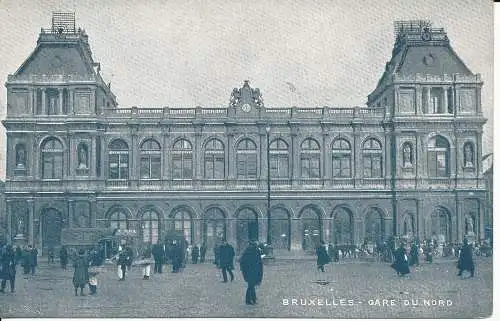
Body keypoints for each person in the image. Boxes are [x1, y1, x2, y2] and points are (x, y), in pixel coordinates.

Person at [239, 241, 263, 305]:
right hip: (253, 271)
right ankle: (250, 300)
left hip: (250, 272)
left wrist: (244, 271)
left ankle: (251, 299)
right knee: (251, 286)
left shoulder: (247, 252)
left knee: (251, 286)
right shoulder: (255, 252)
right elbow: (259, 264)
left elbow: (242, 262)